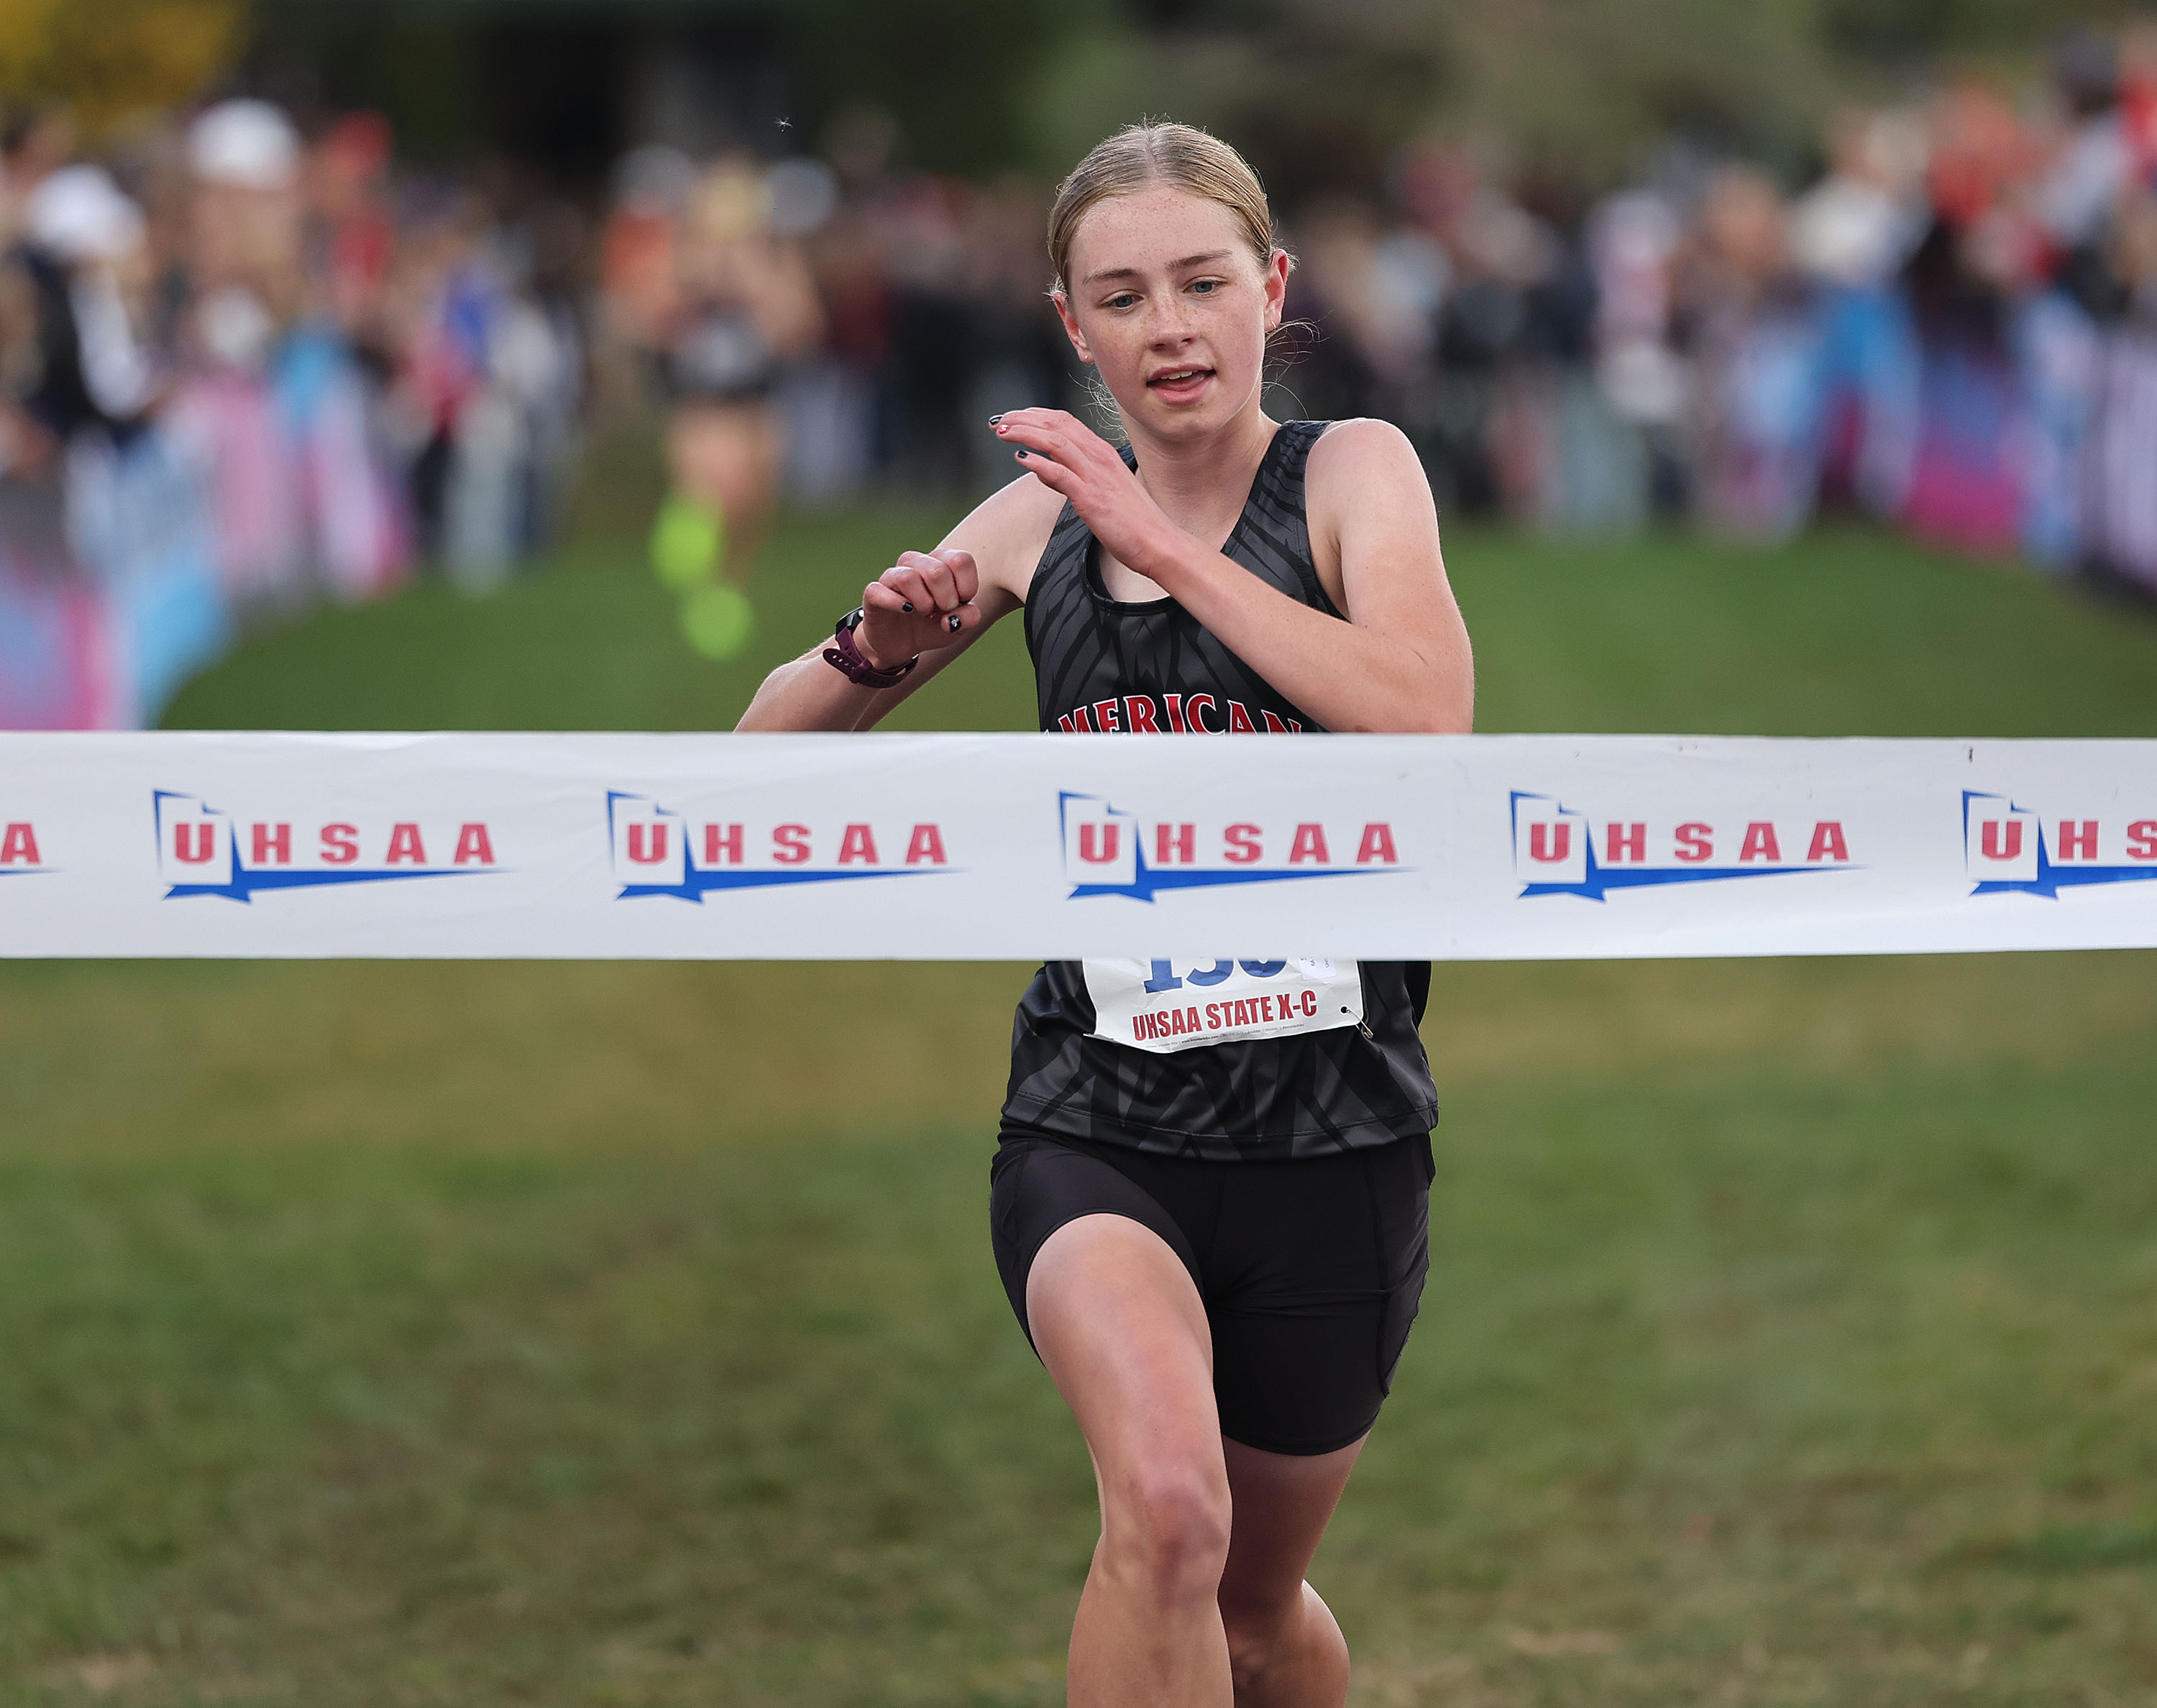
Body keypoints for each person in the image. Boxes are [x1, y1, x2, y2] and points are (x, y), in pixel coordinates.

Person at [739, 121, 1473, 1706]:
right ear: (1072, 326)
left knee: (1257, 1614)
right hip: (1099, 1118)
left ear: (1271, 289)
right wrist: (872, 652)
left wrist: (1164, 549)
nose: (1170, 328)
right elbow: (757, 757)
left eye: (1203, 284)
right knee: (1167, 1513)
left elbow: (1427, 719)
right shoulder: (1035, 521)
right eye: (1124, 297)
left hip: (1336, 1134)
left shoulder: (1351, 472)